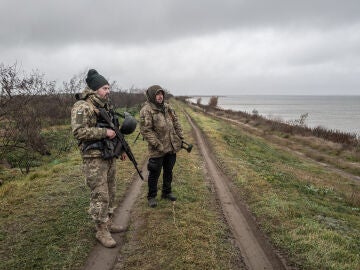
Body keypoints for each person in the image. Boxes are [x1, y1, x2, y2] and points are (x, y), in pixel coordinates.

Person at [71, 69, 126, 248]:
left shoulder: (105, 106)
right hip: (94, 158)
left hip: (109, 155)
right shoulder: (82, 106)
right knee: (100, 194)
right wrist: (104, 132)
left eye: (109, 88)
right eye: (104, 88)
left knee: (111, 191)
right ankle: (101, 229)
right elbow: (78, 132)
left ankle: (108, 222)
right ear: (95, 89)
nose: (108, 91)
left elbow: (114, 129)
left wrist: (121, 149)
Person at [139, 85, 184, 207]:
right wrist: (158, 145)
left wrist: (180, 137)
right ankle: (151, 196)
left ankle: (166, 192)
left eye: (161, 94)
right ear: (152, 96)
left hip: (171, 146)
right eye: (157, 94)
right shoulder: (146, 110)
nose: (160, 96)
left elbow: (176, 122)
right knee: (154, 173)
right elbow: (146, 130)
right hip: (157, 149)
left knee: (168, 171)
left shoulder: (167, 107)